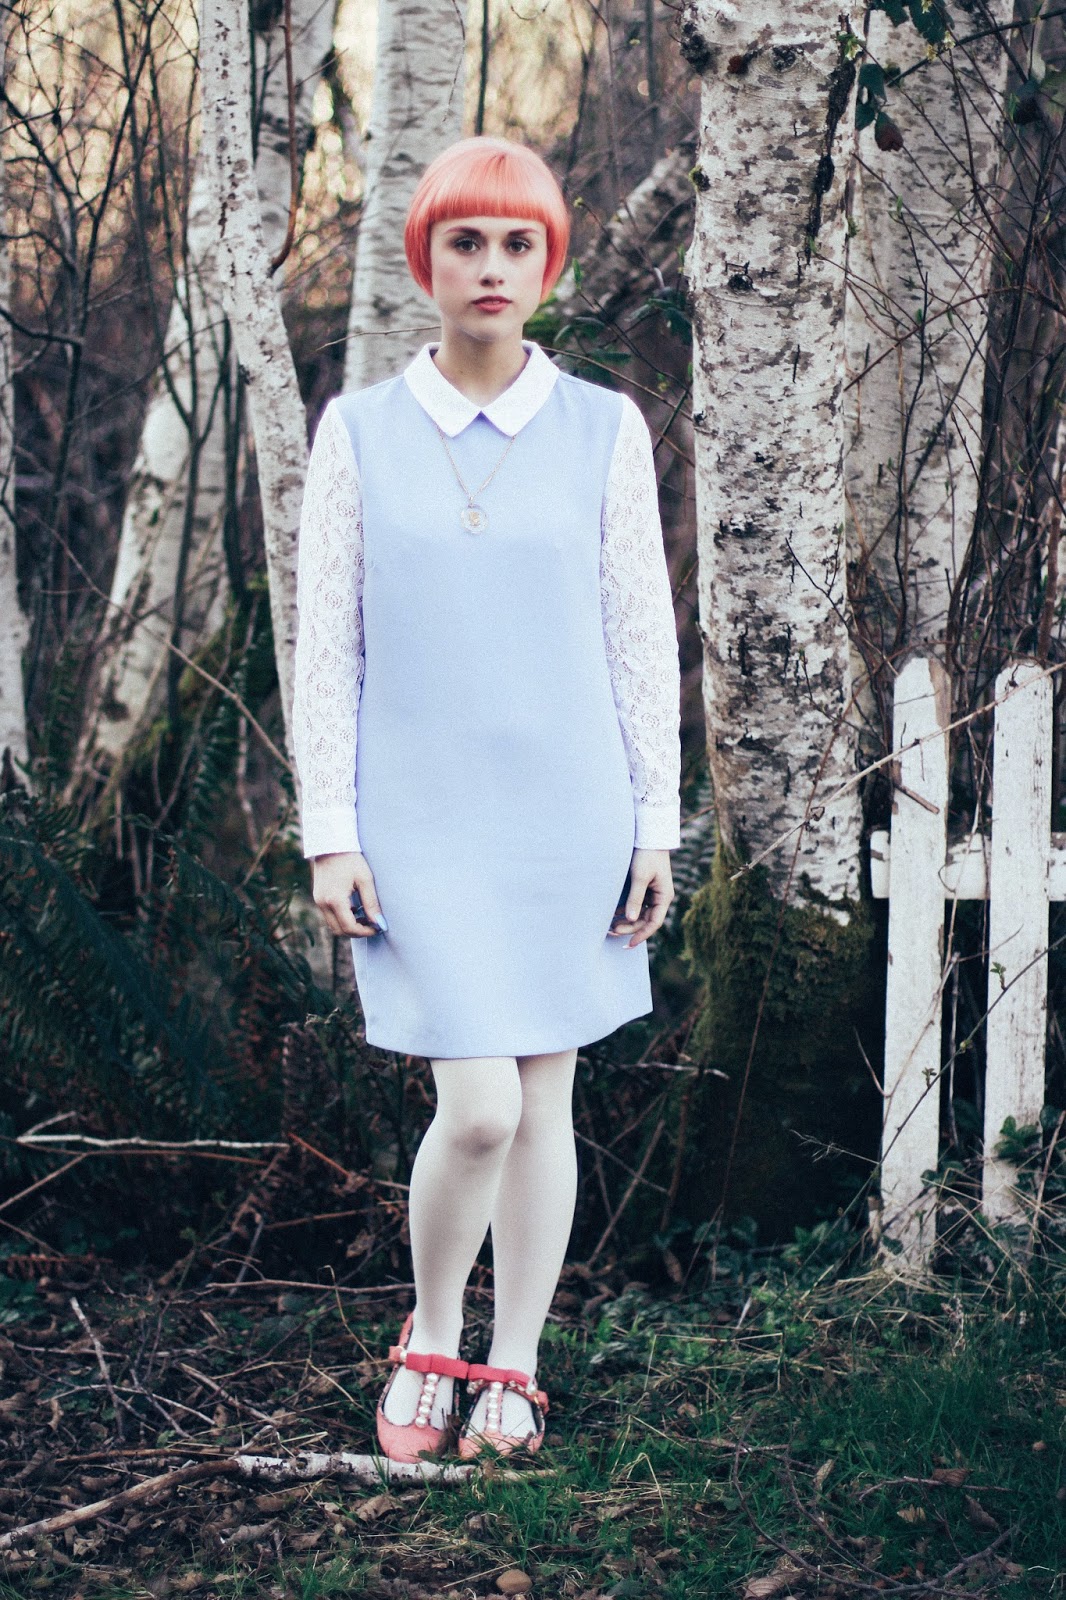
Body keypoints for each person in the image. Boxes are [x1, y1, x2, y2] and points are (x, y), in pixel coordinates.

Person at [291, 135, 681, 1463]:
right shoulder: (358, 432)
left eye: (519, 243)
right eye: (467, 241)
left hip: (568, 813)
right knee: (478, 1110)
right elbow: (327, 652)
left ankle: (512, 1365)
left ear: (549, 261)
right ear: (427, 260)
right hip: (419, 823)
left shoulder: (600, 429)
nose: (493, 267)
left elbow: (641, 637)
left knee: (544, 1103)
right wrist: (330, 832)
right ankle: (432, 1335)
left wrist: (654, 823)